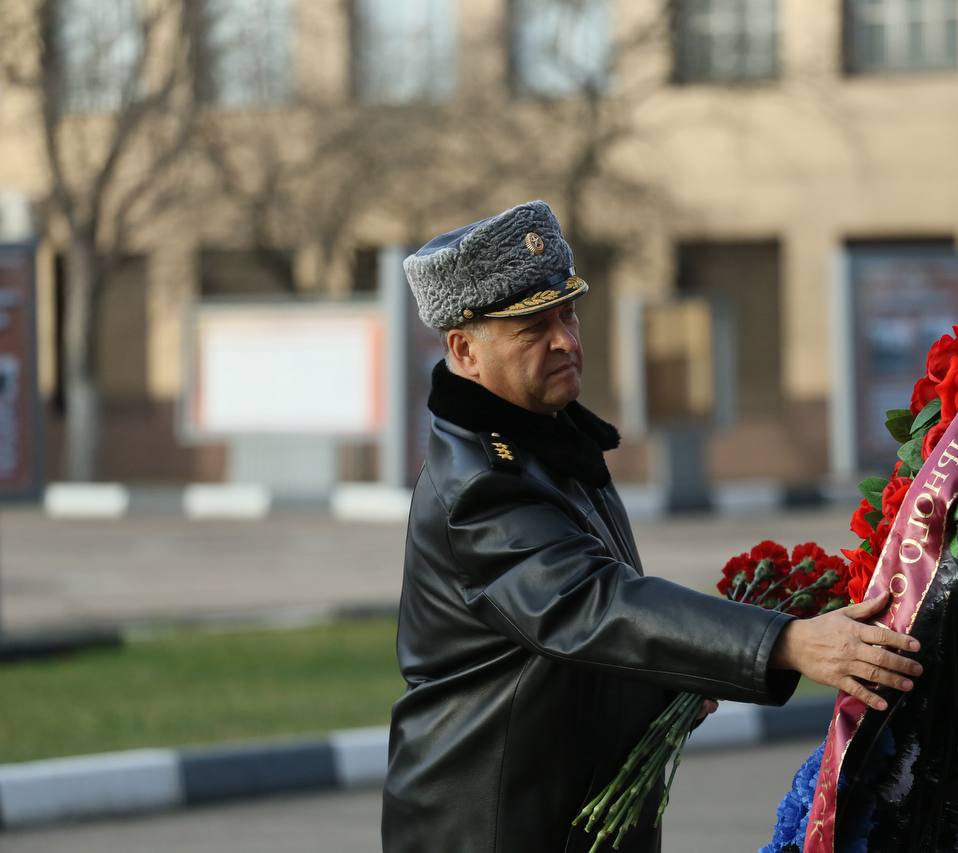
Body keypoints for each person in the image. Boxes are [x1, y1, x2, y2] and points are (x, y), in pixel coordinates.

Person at [381, 200, 923, 853]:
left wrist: (665, 683)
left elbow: (562, 648)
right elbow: (593, 603)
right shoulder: (480, 483)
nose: (566, 341)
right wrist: (787, 641)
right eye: (532, 328)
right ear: (464, 350)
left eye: (568, 313)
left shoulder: (548, 446)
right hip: (495, 831)